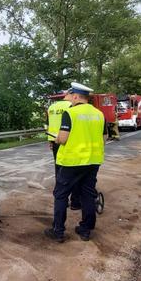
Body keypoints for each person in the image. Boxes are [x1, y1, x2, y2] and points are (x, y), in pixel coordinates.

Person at [45, 82, 107, 243]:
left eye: (71, 96)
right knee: (87, 194)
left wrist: (56, 138)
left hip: (71, 162)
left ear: (75, 96)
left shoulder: (70, 113)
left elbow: (63, 139)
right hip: (93, 161)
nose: (70, 99)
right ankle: (86, 230)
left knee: (60, 195)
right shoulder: (99, 114)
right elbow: (104, 138)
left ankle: (58, 231)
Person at [47, 92, 81, 210]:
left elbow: (49, 124)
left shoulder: (51, 107)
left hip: (55, 141)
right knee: (74, 171)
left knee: (59, 170)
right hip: (69, 142)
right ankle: (75, 201)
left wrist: (51, 141)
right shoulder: (71, 106)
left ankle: (62, 199)